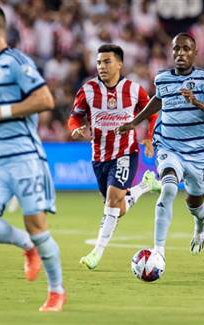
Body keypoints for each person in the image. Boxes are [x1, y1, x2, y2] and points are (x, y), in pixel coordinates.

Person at [0, 4, 65, 312]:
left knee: (37, 224)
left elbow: (45, 100)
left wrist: (4, 111)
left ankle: (56, 292)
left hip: (24, 156)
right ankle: (26, 246)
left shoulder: (17, 62)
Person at [119, 33, 204, 259]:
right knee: (168, 189)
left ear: (195, 53)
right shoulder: (162, 78)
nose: (180, 53)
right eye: (177, 49)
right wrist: (135, 122)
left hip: (198, 155)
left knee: (195, 205)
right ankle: (158, 252)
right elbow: (157, 100)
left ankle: (200, 222)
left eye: (186, 49)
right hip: (170, 148)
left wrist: (196, 102)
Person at [68, 44, 160, 270]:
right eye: (99, 62)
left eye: (107, 62)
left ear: (119, 64)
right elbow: (75, 117)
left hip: (125, 153)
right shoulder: (87, 90)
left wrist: (148, 137)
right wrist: (75, 128)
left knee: (111, 199)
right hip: (99, 157)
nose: (102, 66)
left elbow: (152, 112)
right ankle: (144, 187)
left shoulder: (133, 90)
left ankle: (96, 252)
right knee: (118, 208)